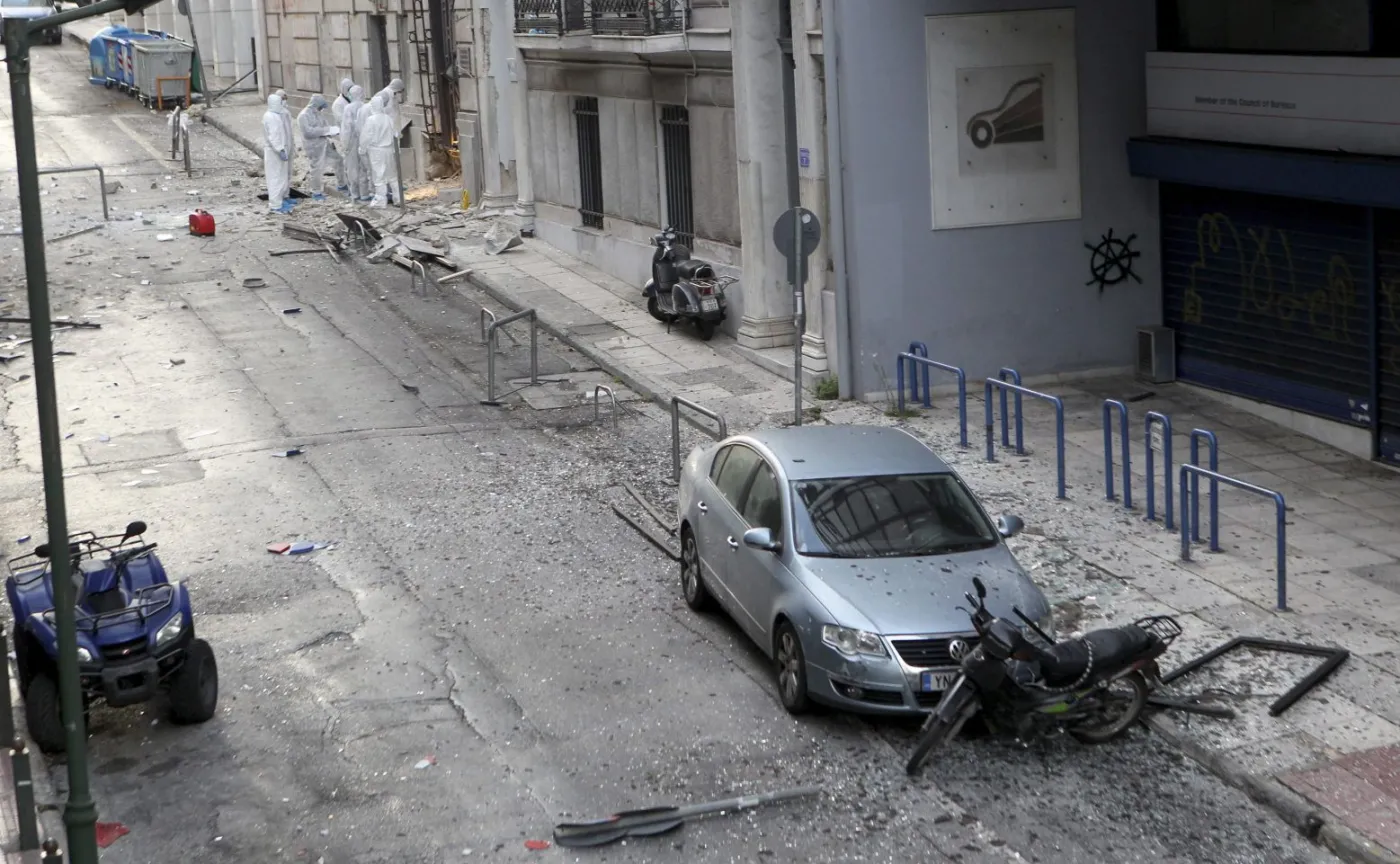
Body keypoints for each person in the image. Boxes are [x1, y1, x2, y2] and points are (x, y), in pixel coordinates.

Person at [358, 94, 399, 209]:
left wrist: (362, 149)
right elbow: (395, 134)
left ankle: (381, 200)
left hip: (377, 151)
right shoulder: (388, 118)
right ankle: (398, 198)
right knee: (392, 175)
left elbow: (366, 136)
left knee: (379, 176)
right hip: (389, 150)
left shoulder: (371, 120)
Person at [297, 95, 339, 199]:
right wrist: (324, 131)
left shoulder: (319, 114)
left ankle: (342, 184)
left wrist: (332, 131)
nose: (321, 109)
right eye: (320, 107)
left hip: (324, 143)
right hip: (313, 147)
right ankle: (316, 191)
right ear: (315, 104)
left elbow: (325, 126)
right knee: (317, 169)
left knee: (339, 161)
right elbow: (308, 132)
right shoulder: (303, 116)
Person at [340, 85, 372, 203]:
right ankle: (364, 193)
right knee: (363, 167)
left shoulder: (348, 108)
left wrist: (345, 145)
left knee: (352, 168)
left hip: (352, 142)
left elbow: (347, 128)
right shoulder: (365, 106)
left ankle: (355, 194)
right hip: (363, 141)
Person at [262, 94, 292, 214]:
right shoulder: (270, 117)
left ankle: (278, 201)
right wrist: (280, 149)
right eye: (280, 102)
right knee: (275, 178)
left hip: (277, 151)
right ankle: (275, 205)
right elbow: (273, 137)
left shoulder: (274, 115)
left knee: (280, 177)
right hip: (274, 152)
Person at [329, 78, 354, 191]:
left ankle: (355, 184)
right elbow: (342, 121)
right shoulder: (338, 104)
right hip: (344, 135)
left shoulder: (353, 100)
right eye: (348, 89)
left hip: (354, 135)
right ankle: (347, 184)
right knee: (347, 161)